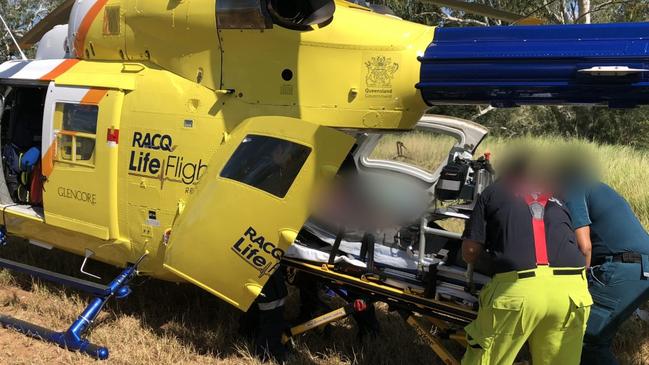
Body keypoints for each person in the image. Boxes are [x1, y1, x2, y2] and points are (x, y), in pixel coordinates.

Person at [461, 152, 592, 365]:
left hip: (519, 291)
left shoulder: (493, 192)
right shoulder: (557, 196)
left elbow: (471, 252)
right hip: (572, 294)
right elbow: (582, 246)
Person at [563, 179, 649, 365]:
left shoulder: (573, 187)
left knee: (587, 340)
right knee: (597, 337)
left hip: (622, 267)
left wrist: (578, 283)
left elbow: (584, 247)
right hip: (641, 268)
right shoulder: (598, 188)